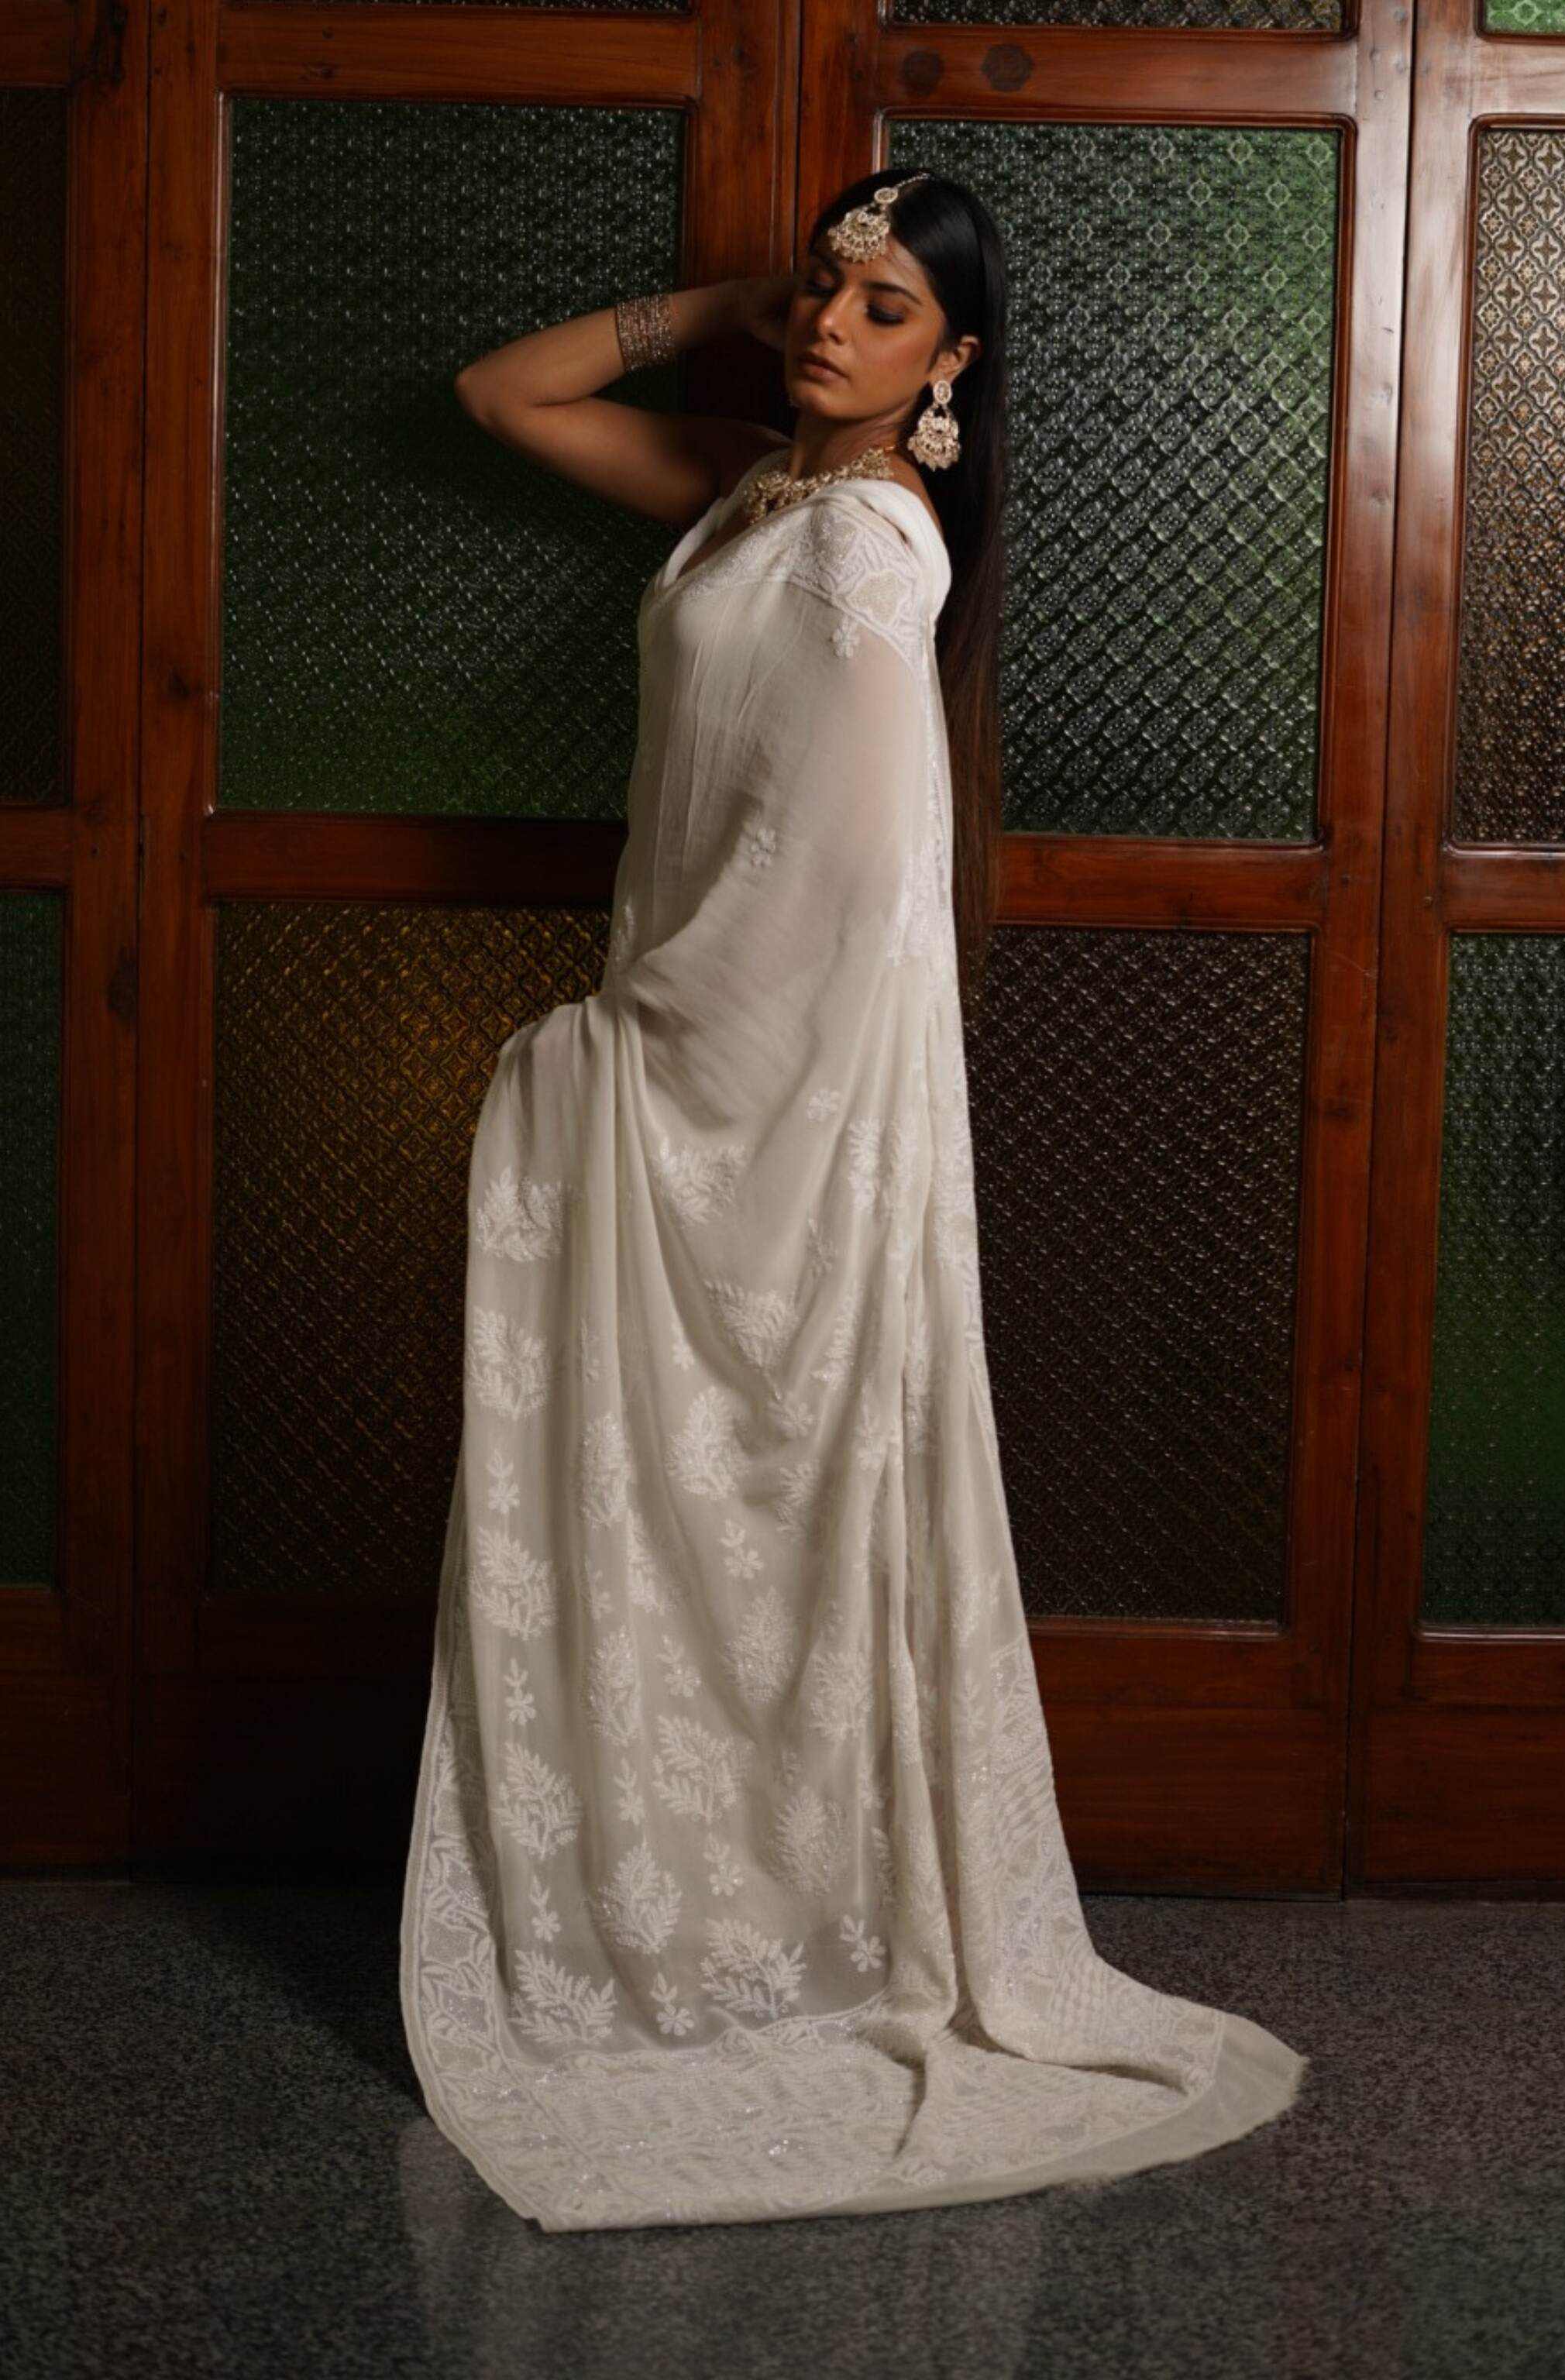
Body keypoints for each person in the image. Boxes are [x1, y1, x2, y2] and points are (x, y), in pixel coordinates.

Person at [400, 168, 1310, 2232]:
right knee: (694, 1514)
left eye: (882, 304)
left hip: (742, 1089)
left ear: (955, 366)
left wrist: (638, 1047)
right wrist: (723, 302)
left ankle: (763, 1924)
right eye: (827, 286)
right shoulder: (755, 496)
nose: (831, 321)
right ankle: (699, 1886)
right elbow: (502, 393)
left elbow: (847, 880)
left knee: (751, 1506)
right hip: (695, 1059)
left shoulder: (869, 562)